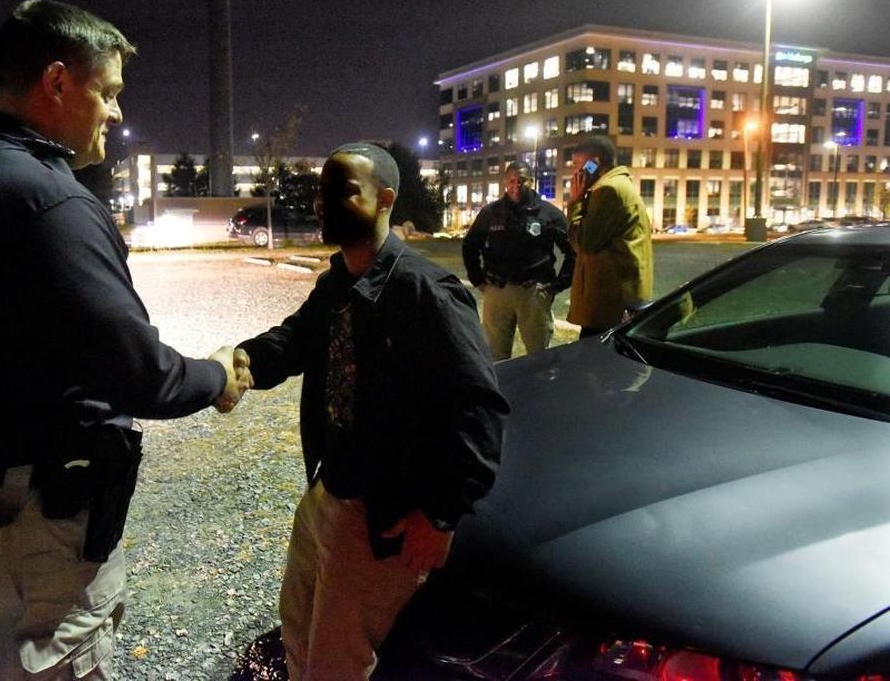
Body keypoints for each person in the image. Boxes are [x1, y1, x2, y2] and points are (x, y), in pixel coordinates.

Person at [0, 0, 249, 680]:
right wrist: (215, 376)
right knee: (56, 661)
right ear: (58, 83)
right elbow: (136, 369)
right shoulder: (47, 200)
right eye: (108, 93)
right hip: (30, 511)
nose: (114, 113)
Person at [229, 142, 510, 680]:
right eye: (320, 191)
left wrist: (441, 514)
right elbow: (295, 341)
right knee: (297, 631)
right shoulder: (338, 281)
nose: (322, 203)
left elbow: (478, 406)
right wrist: (241, 364)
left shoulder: (426, 291)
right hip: (328, 491)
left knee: (338, 661)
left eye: (342, 192)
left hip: (381, 511)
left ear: (384, 199)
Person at [462, 161, 574, 359]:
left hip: (534, 293)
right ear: (505, 183)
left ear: (531, 181)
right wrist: (478, 279)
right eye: (512, 181)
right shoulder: (491, 213)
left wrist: (557, 285)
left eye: (522, 181)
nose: (516, 186)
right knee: (495, 357)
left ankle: (537, 390)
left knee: (538, 357)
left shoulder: (548, 214)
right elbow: (471, 245)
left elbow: (573, 251)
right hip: (497, 292)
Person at [566, 135, 654, 338]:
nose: (575, 172)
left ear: (593, 163)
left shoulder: (609, 190)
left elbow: (584, 243)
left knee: (596, 364)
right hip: (615, 301)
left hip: (608, 306)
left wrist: (576, 203)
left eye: (578, 165)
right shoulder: (617, 186)